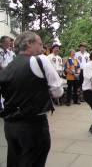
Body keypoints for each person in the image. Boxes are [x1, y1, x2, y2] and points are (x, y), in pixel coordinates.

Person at [0, 31, 63, 167]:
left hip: (10, 126)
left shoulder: (7, 68)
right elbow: (58, 90)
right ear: (29, 44)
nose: (42, 48)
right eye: (40, 44)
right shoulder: (40, 60)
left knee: (15, 161)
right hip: (33, 126)